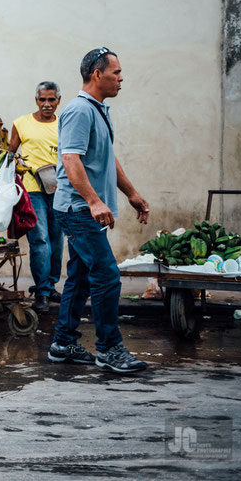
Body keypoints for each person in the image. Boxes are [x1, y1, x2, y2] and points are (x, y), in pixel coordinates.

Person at [48, 47, 150, 374]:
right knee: (107, 276)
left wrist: (131, 194)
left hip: (85, 209)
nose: (121, 78)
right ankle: (109, 349)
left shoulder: (99, 109)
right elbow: (70, 159)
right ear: (97, 75)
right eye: (116, 72)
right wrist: (94, 201)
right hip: (78, 210)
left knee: (79, 278)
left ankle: (63, 343)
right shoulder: (79, 110)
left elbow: (107, 158)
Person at [9, 82, 64, 313]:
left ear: (58, 100)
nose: (47, 105)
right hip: (32, 189)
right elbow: (9, 154)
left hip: (60, 188)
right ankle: (41, 292)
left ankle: (50, 285)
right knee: (40, 241)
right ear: (36, 100)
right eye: (43, 100)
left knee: (57, 240)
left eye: (51, 100)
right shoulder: (21, 124)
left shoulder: (65, 123)